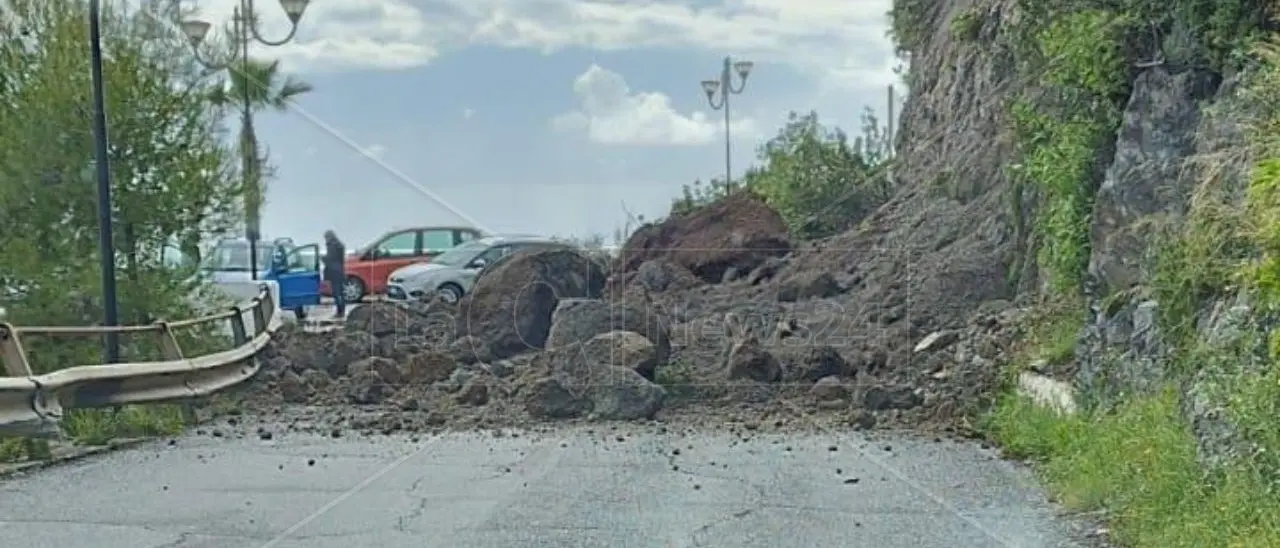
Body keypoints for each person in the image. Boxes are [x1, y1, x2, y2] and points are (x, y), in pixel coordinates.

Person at [323, 230, 347, 318]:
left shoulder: (332, 246)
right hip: (340, 271)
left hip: (334, 272)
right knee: (340, 293)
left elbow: (330, 258)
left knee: (337, 293)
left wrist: (322, 258)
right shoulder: (339, 245)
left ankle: (340, 312)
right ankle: (341, 311)